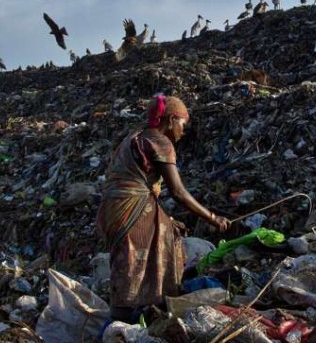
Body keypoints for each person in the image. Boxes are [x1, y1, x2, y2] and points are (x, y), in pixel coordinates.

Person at [96, 94, 230, 323]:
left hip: (114, 209)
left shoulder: (136, 136)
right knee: (136, 261)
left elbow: (141, 187)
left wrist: (165, 219)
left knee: (136, 257)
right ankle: (137, 315)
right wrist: (213, 218)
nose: (183, 131)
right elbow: (178, 192)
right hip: (131, 209)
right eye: (182, 124)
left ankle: (132, 316)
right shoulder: (160, 142)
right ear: (170, 120)